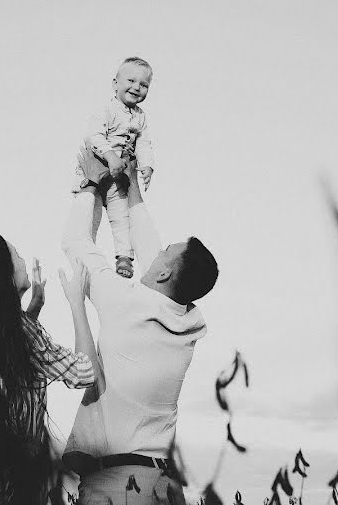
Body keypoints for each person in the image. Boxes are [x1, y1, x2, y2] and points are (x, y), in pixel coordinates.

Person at [61, 149, 219, 505]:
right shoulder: (188, 321)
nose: (158, 250)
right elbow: (152, 250)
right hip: (163, 484)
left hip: (119, 485)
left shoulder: (126, 303)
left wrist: (89, 185)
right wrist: (131, 185)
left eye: (166, 251)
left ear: (164, 272)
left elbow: (75, 243)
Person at [0, 234, 100, 505]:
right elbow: (86, 373)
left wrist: (33, 307)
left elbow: (16, 362)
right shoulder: (22, 331)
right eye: (16, 254)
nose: (24, 259)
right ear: (3, 276)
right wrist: (77, 303)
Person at [73, 57, 156, 279]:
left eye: (144, 84)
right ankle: (83, 257)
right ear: (115, 84)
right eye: (131, 80)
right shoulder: (107, 109)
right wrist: (110, 156)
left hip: (118, 180)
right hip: (96, 170)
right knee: (91, 216)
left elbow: (144, 143)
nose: (137, 87)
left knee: (122, 218)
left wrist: (147, 166)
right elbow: (93, 136)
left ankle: (124, 258)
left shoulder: (140, 117)